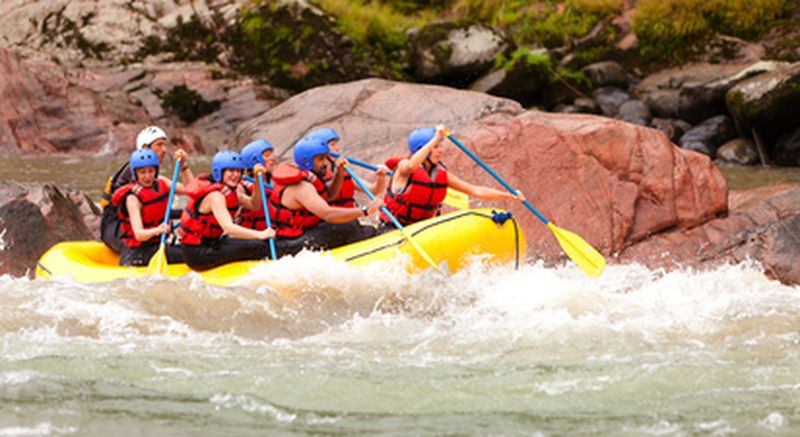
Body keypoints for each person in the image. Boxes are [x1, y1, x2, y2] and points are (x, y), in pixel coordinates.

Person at [380, 125, 523, 230]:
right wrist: (435, 137)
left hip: (422, 229)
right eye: (436, 147)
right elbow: (411, 166)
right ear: (423, 149)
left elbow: (476, 191)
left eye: (440, 146)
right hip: (393, 228)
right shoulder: (403, 167)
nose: (440, 151)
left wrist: (509, 196)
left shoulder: (442, 175)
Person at [268, 136, 383, 254]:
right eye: (321, 159)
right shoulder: (301, 187)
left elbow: (330, 195)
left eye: (326, 158)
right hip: (293, 243)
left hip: (301, 233)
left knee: (351, 226)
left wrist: (339, 172)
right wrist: (365, 210)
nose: (325, 163)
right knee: (349, 227)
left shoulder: (309, 177)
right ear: (307, 161)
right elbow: (328, 214)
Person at [100, 126, 194, 253]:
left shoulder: (154, 177)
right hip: (116, 229)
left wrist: (184, 166)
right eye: (159, 145)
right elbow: (139, 211)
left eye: (164, 145)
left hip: (143, 224)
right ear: (145, 148)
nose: (164, 150)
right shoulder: (131, 176)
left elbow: (191, 190)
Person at [178, 150, 275, 271]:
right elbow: (228, 228)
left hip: (213, 243)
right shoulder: (216, 196)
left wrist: (256, 180)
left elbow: (254, 204)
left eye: (238, 171)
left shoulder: (231, 192)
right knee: (258, 246)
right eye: (231, 171)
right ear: (219, 172)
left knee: (255, 245)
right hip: (198, 254)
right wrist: (260, 235)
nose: (236, 175)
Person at [111, 149, 186, 267]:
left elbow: (191, 190)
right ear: (135, 174)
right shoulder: (133, 199)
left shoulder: (162, 183)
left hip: (156, 246)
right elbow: (139, 234)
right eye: (142, 172)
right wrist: (158, 230)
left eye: (151, 171)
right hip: (137, 253)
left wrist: (184, 167)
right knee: (186, 254)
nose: (147, 176)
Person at [308, 127, 389, 208]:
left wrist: (381, 178)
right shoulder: (311, 177)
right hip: (327, 219)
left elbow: (374, 191)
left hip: (350, 219)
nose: (337, 149)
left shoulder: (344, 171)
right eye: (332, 145)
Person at [238, 139, 276, 231]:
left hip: (274, 228)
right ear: (256, 160)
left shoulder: (273, 180)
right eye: (267, 155)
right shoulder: (242, 187)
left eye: (271, 154)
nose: (273, 158)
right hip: (254, 233)